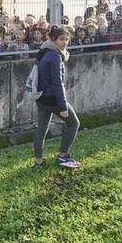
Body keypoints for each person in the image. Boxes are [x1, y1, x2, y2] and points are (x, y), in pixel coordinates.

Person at [33, 25, 81, 169]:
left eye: (67, 39)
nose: (65, 42)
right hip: (52, 99)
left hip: (40, 97)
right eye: (61, 39)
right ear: (53, 39)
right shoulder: (54, 56)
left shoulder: (44, 50)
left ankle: (38, 162)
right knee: (74, 124)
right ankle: (63, 156)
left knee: (41, 129)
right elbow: (57, 83)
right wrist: (62, 106)